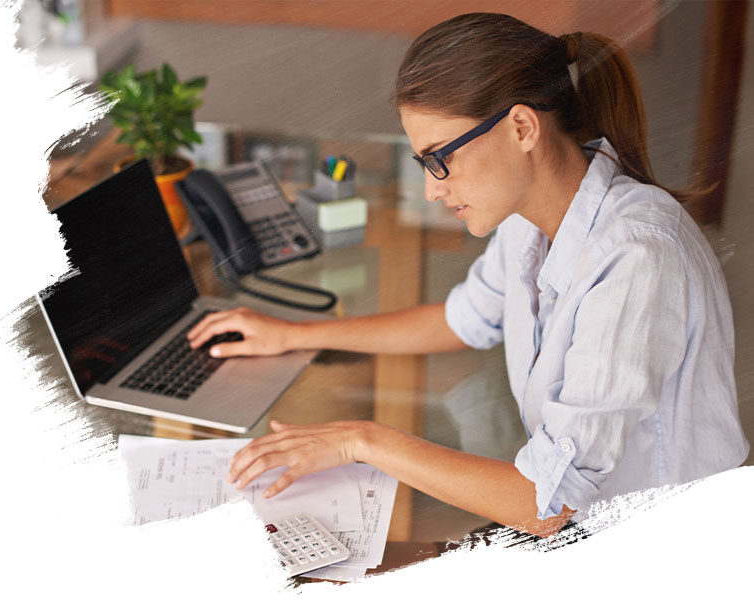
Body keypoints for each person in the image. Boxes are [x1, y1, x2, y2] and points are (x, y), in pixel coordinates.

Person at [187, 13, 749, 539]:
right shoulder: (529, 220)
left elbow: (545, 505)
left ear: (522, 127)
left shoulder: (636, 257)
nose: (433, 188)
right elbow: (462, 320)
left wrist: (361, 439)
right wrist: (294, 334)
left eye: (441, 158)